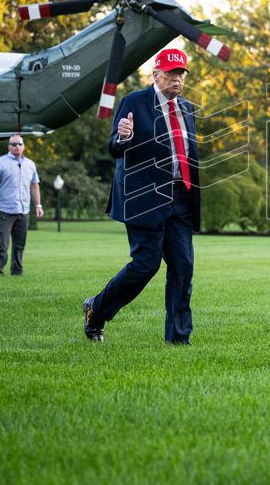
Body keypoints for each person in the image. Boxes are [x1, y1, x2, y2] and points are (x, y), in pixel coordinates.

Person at [82, 48, 201, 344]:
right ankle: (96, 310)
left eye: (181, 73)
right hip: (144, 198)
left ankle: (178, 339)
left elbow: (189, 156)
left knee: (183, 267)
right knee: (145, 266)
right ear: (155, 74)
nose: (177, 79)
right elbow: (114, 148)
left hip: (180, 198)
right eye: (171, 73)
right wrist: (123, 136)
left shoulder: (187, 109)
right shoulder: (133, 102)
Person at [0, 135, 43, 276]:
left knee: (19, 245)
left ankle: (17, 272)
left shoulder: (30, 164)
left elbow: (34, 185)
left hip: (23, 211)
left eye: (19, 144)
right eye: (14, 144)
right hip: (4, 211)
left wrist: (38, 205)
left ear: (24, 146)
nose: (17, 146)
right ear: (8, 147)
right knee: (1, 245)